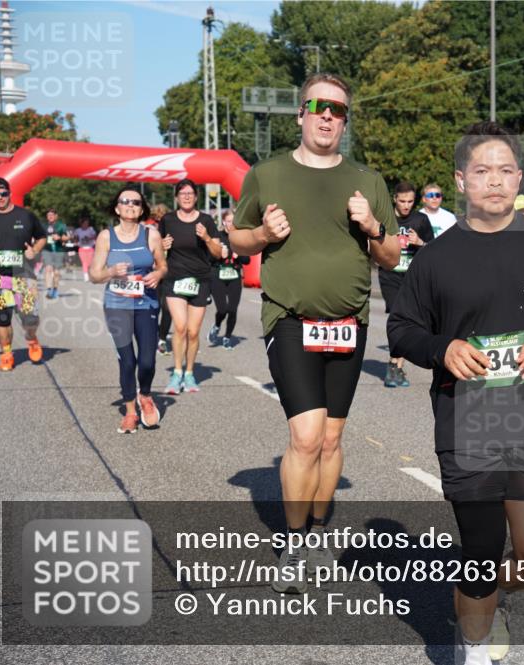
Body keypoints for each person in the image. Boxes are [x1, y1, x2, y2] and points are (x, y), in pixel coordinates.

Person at [388, 122, 524, 665]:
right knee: (481, 552)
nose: (495, 181)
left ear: (519, 178)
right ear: (461, 180)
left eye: (506, 170)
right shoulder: (436, 258)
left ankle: (481, 599)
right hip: (468, 416)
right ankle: (474, 645)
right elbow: (402, 329)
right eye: (482, 171)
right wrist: (443, 349)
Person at [230, 72, 399, 592]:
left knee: (331, 438)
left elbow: (393, 257)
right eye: (319, 106)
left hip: (349, 324)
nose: (328, 115)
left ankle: (321, 530)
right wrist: (262, 234)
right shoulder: (266, 174)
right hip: (290, 318)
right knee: (304, 437)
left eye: (339, 110)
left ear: (345, 121)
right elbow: (237, 239)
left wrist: (372, 227)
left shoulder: (368, 180)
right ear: (301, 113)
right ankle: (294, 542)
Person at [88, 185, 167, 433]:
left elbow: (163, 266)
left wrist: (158, 274)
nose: (130, 205)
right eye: (125, 201)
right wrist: (111, 271)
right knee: (127, 361)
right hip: (117, 305)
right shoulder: (105, 237)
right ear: (117, 208)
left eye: (135, 202)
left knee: (147, 361)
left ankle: (145, 394)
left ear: (142, 208)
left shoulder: (151, 234)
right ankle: (131, 412)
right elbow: (94, 275)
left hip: (146, 303)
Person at [158, 179, 222, 393]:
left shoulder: (206, 221)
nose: (186, 196)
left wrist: (206, 237)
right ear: (176, 197)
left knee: (193, 332)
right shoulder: (167, 220)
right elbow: (156, 250)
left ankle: (189, 373)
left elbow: (217, 252)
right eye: (182, 193)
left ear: (196, 197)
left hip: (200, 280)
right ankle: (176, 373)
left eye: (190, 193)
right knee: (180, 327)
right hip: (175, 278)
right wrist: (162, 247)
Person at [0, 177, 47, 371]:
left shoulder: (26, 216)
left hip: (23, 276)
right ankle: (7, 353)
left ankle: (31, 338)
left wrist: (34, 250)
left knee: (30, 318)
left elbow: (42, 237)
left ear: (10, 193)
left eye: (4, 194)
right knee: (2, 318)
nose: (0, 197)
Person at [379, 181, 434, 388]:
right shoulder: (386, 218)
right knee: (396, 315)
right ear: (395, 199)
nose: (406, 205)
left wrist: (419, 242)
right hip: (390, 276)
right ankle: (395, 365)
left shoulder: (421, 220)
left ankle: (396, 366)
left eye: (410, 201)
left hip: (412, 278)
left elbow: (433, 249)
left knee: (406, 320)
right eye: (402, 201)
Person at [208, 208, 249, 349]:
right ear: (224, 222)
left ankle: (227, 337)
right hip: (217, 275)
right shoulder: (217, 236)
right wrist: (219, 254)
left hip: (234, 276)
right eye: (228, 221)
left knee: (232, 309)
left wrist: (239, 255)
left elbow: (247, 260)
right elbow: (208, 258)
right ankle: (217, 324)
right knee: (222, 309)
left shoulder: (239, 237)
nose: (230, 224)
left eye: (233, 221)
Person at [148, 203, 173, 354]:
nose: (160, 219)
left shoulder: (172, 230)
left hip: (170, 272)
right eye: (158, 216)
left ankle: (162, 339)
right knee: (154, 306)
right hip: (154, 272)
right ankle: (154, 334)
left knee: (168, 307)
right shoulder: (149, 230)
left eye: (163, 216)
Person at [42, 208, 69, 299]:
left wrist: (60, 238)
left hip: (59, 250)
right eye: (48, 215)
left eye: (52, 215)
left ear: (56, 216)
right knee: (48, 269)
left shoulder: (61, 225)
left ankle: (55, 289)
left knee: (56, 272)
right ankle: (49, 290)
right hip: (47, 250)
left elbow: (67, 238)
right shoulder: (43, 225)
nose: (50, 217)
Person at [74, 218, 97, 282]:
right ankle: (85, 275)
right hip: (82, 248)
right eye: (84, 223)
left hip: (90, 247)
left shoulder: (91, 229)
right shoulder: (78, 230)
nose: (86, 225)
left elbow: (94, 236)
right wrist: (76, 241)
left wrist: (89, 238)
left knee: (90, 263)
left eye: (87, 223)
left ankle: (90, 275)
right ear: (81, 224)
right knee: (84, 262)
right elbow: (75, 237)